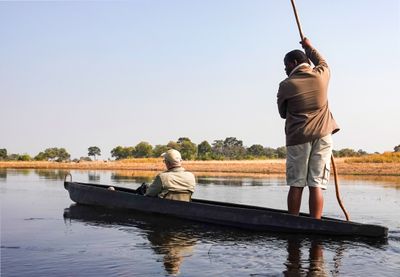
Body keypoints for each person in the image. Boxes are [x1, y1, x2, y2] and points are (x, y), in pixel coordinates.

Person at [277, 37, 339, 219]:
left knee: (297, 183)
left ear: (293, 63)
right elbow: (323, 62)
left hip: (298, 138)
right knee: (316, 184)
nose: (285, 69)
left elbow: (282, 113)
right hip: (323, 136)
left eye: (286, 66)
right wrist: (309, 47)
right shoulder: (322, 74)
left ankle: (294, 222)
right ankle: (315, 223)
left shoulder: (286, 85)